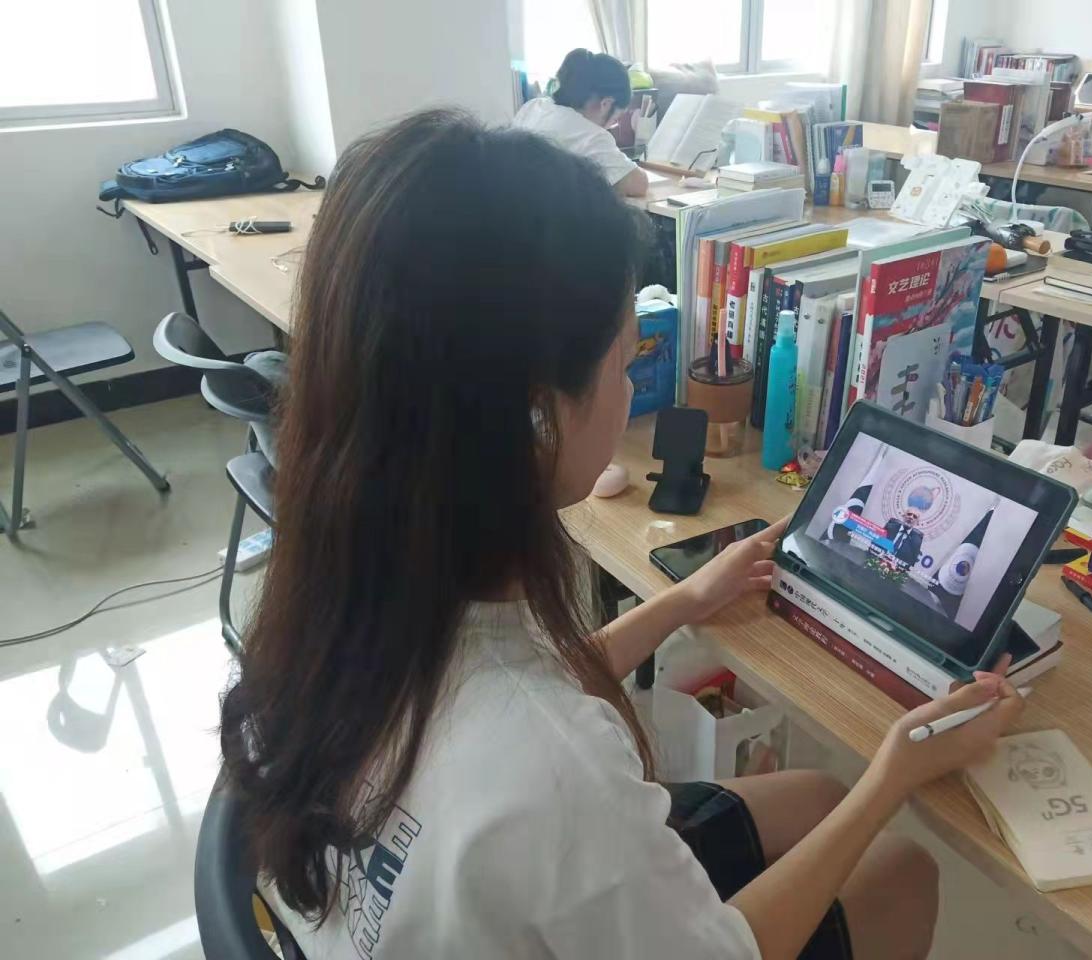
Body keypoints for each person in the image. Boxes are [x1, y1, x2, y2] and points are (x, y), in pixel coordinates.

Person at [220, 109, 1025, 960]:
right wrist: (896, 770)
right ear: (536, 418)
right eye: (625, 359)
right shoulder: (555, 765)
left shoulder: (349, 594)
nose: (631, 386)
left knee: (818, 800)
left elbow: (516, 681)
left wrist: (685, 601)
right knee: (900, 870)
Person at [514, 48, 649, 197]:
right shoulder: (590, 135)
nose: (611, 125)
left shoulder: (533, 107)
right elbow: (638, 184)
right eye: (615, 119)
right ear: (606, 104)